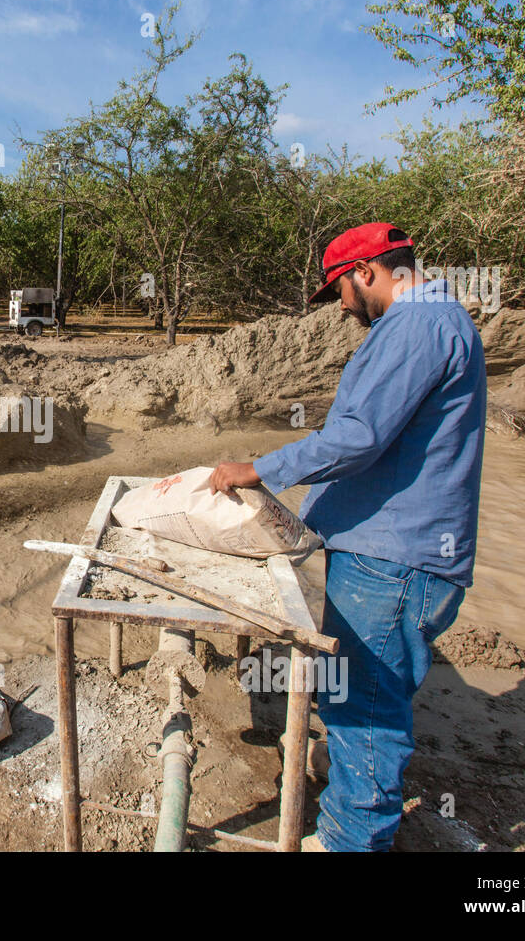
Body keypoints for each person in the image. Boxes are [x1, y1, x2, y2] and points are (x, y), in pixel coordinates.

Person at [209, 222, 487, 852]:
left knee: (363, 710)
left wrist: (258, 469)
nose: (340, 305)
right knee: (365, 697)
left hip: (394, 561)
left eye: (339, 288)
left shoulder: (415, 326)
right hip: (401, 554)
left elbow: (358, 436)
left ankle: (349, 839)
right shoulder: (439, 319)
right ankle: (354, 791)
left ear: (367, 273)